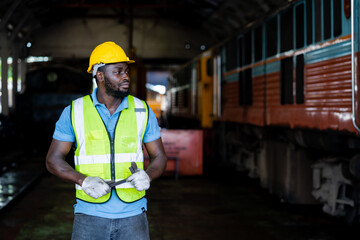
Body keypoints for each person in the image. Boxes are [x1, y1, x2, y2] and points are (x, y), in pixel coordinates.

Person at [46, 41, 167, 240]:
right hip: (89, 217)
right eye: (118, 72)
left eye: (126, 71)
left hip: (133, 217)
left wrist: (148, 176)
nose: (126, 76)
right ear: (100, 75)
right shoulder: (74, 112)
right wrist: (82, 180)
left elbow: (160, 156)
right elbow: (53, 160)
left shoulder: (142, 110)